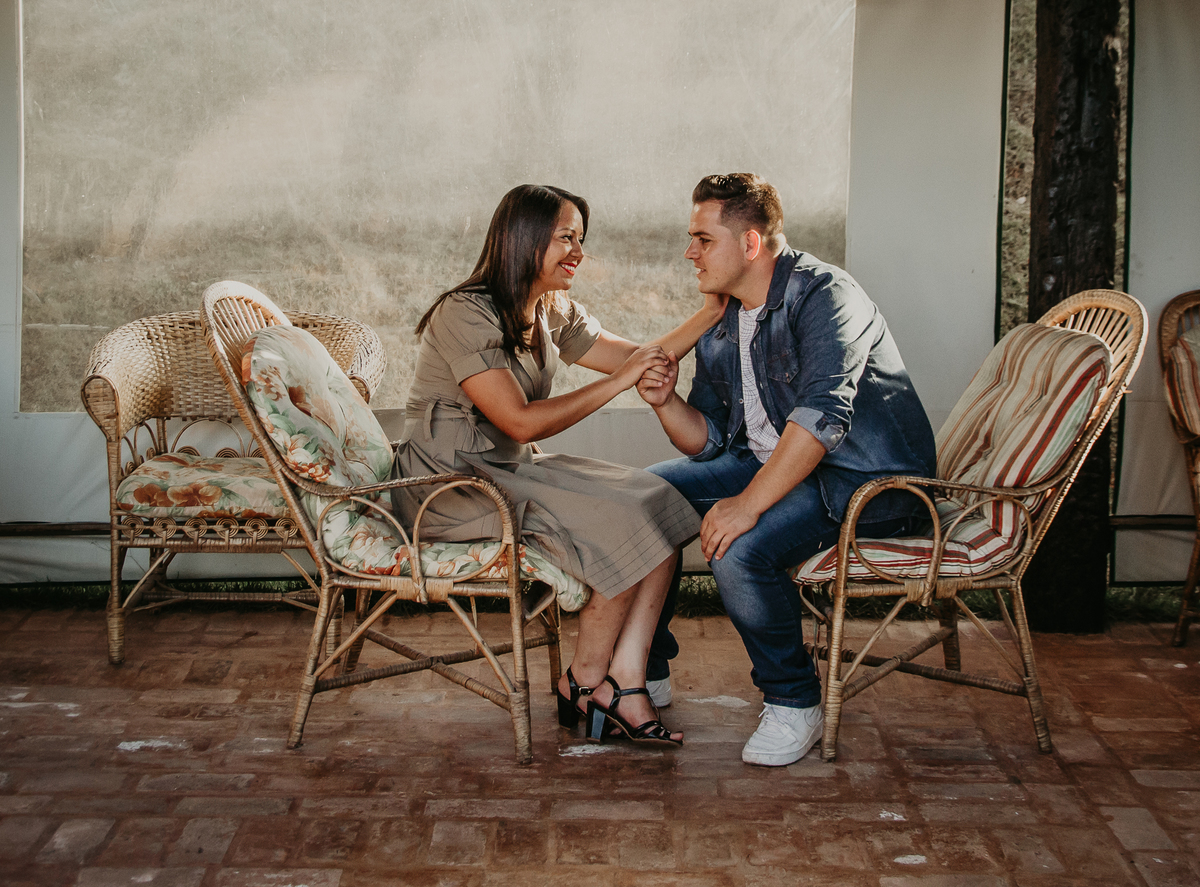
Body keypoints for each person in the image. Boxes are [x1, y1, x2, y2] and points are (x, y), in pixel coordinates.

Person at [392, 183, 727, 747]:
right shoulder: (463, 312)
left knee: (659, 499)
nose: (578, 252)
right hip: (449, 486)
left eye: (580, 239)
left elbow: (637, 358)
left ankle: (622, 680)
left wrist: (711, 311)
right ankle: (588, 681)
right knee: (621, 522)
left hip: (510, 468)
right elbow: (520, 421)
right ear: (523, 239)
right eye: (566, 238)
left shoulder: (549, 308)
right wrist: (624, 381)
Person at [639, 173, 937, 765]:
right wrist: (665, 402)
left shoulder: (827, 296)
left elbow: (823, 419)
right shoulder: (725, 318)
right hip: (772, 462)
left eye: (703, 239)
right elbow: (710, 438)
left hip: (866, 480)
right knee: (645, 496)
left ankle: (794, 700)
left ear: (750, 243)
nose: (690, 252)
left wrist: (746, 505)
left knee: (739, 548)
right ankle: (644, 669)